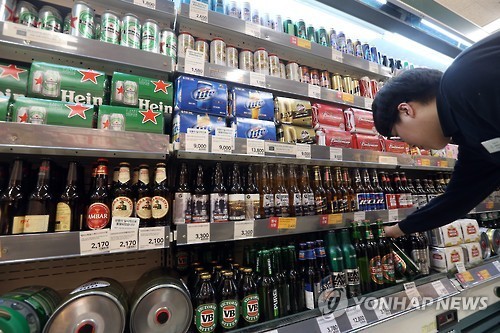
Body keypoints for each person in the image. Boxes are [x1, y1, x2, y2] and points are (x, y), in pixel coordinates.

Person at [372, 31, 500, 238]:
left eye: (401, 137)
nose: (411, 145)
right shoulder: (471, 141)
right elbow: (457, 199)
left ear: (405, 110)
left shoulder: (464, 79)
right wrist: (398, 229)